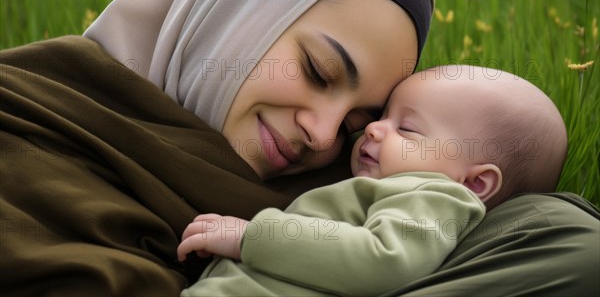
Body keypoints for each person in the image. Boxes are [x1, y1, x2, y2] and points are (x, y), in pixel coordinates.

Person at [1, 0, 597, 296]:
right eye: (317, 69)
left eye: (361, 120)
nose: (325, 134)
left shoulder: (361, 183)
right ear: (233, 9)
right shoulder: (29, 122)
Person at [176, 65, 568, 296]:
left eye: (408, 128)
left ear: (476, 183)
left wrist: (249, 239)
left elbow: (385, 260)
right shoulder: (397, 187)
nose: (375, 130)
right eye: (382, 116)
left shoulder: (437, 198)